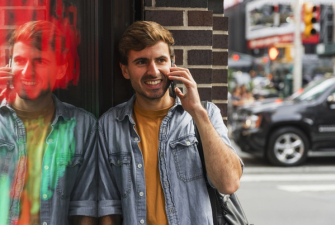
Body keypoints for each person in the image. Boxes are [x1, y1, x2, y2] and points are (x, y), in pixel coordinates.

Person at [98, 21, 243, 225]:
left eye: (161, 60)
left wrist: (197, 112)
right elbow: (108, 206)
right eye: (141, 62)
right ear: (125, 70)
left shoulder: (207, 113)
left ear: (172, 64)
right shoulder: (110, 124)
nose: (153, 71)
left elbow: (228, 183)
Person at [0, 20, 97, 225]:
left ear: (61, 69)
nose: (27, 72)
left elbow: (84, 207)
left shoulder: (83, 126)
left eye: (40, 61)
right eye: (19, 60)